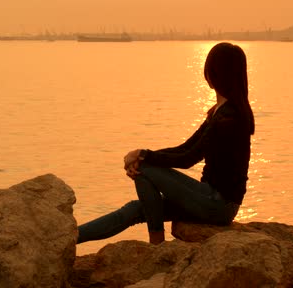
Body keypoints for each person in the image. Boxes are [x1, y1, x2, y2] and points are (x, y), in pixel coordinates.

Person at [77, 42, 255, 245]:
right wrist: (143, 155)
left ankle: (156, 243)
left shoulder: (229, 118)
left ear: (213, 72)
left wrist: (142, 157)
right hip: (208, 198)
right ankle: (70, 237)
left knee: (144, 169)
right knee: (135, 209)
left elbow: (188, 158)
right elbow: (185, 148)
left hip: (218, 204)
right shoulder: (220, 112)